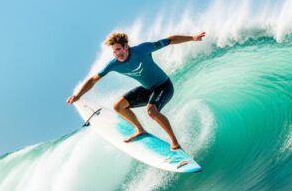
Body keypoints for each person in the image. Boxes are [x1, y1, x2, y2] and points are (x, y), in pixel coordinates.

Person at [66, 31, 206, 150]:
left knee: (152, 111)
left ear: (126, 46)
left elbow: (170, 40)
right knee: (118, 106)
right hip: (147, 89)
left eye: (119, 49)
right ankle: (140, 129)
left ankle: (174, 142)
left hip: (164, 86)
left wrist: (192, 38)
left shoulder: (142, 50)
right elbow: (93, 80)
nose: (117, 54)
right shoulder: (113, 64)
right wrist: (77, 95)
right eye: (114, 51)